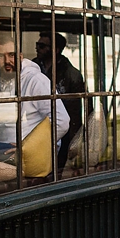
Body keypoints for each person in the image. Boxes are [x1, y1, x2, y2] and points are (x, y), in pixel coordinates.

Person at [0, 33, 70, 163]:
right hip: (2, 155)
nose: (7, 61)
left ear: (20, 56)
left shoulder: (35, 80)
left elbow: (62, 121)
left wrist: (28, 146)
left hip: (33, 156)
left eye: (11, 55)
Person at [35, 32, 87, 170]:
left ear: (55, 50)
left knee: (56, 168)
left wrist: (76, 138)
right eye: (37, 45)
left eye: (42, 45)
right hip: (35, 126)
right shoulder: (33, 67)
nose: (37, 48)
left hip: (61, 130)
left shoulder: (71, 74)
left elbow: (76, 110)